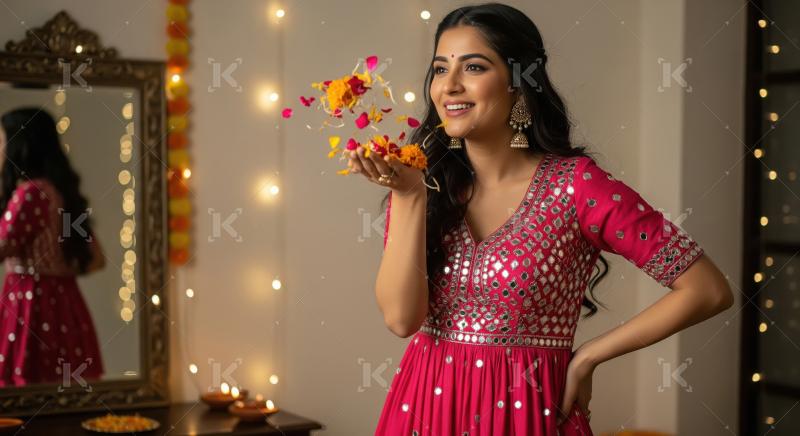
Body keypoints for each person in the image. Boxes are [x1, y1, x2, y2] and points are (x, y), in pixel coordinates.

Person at [348, 3, 734, 435]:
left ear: (519, 83)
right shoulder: (424, 186)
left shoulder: (577, 187)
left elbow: (707, 290)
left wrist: (590, 356)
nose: (449, 86)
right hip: (425, 409)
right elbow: (402, 320)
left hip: (527, 413)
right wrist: (409, 196)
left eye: (473, 67)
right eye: (440, 69)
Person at [0, 107, 106, 386]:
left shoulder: (29, 193)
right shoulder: (60, 192)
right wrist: (58, 266)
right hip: (65, 304)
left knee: (29, 394)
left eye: (1, 141)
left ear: (19, 145)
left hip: (31, 304)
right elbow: (96, 258)